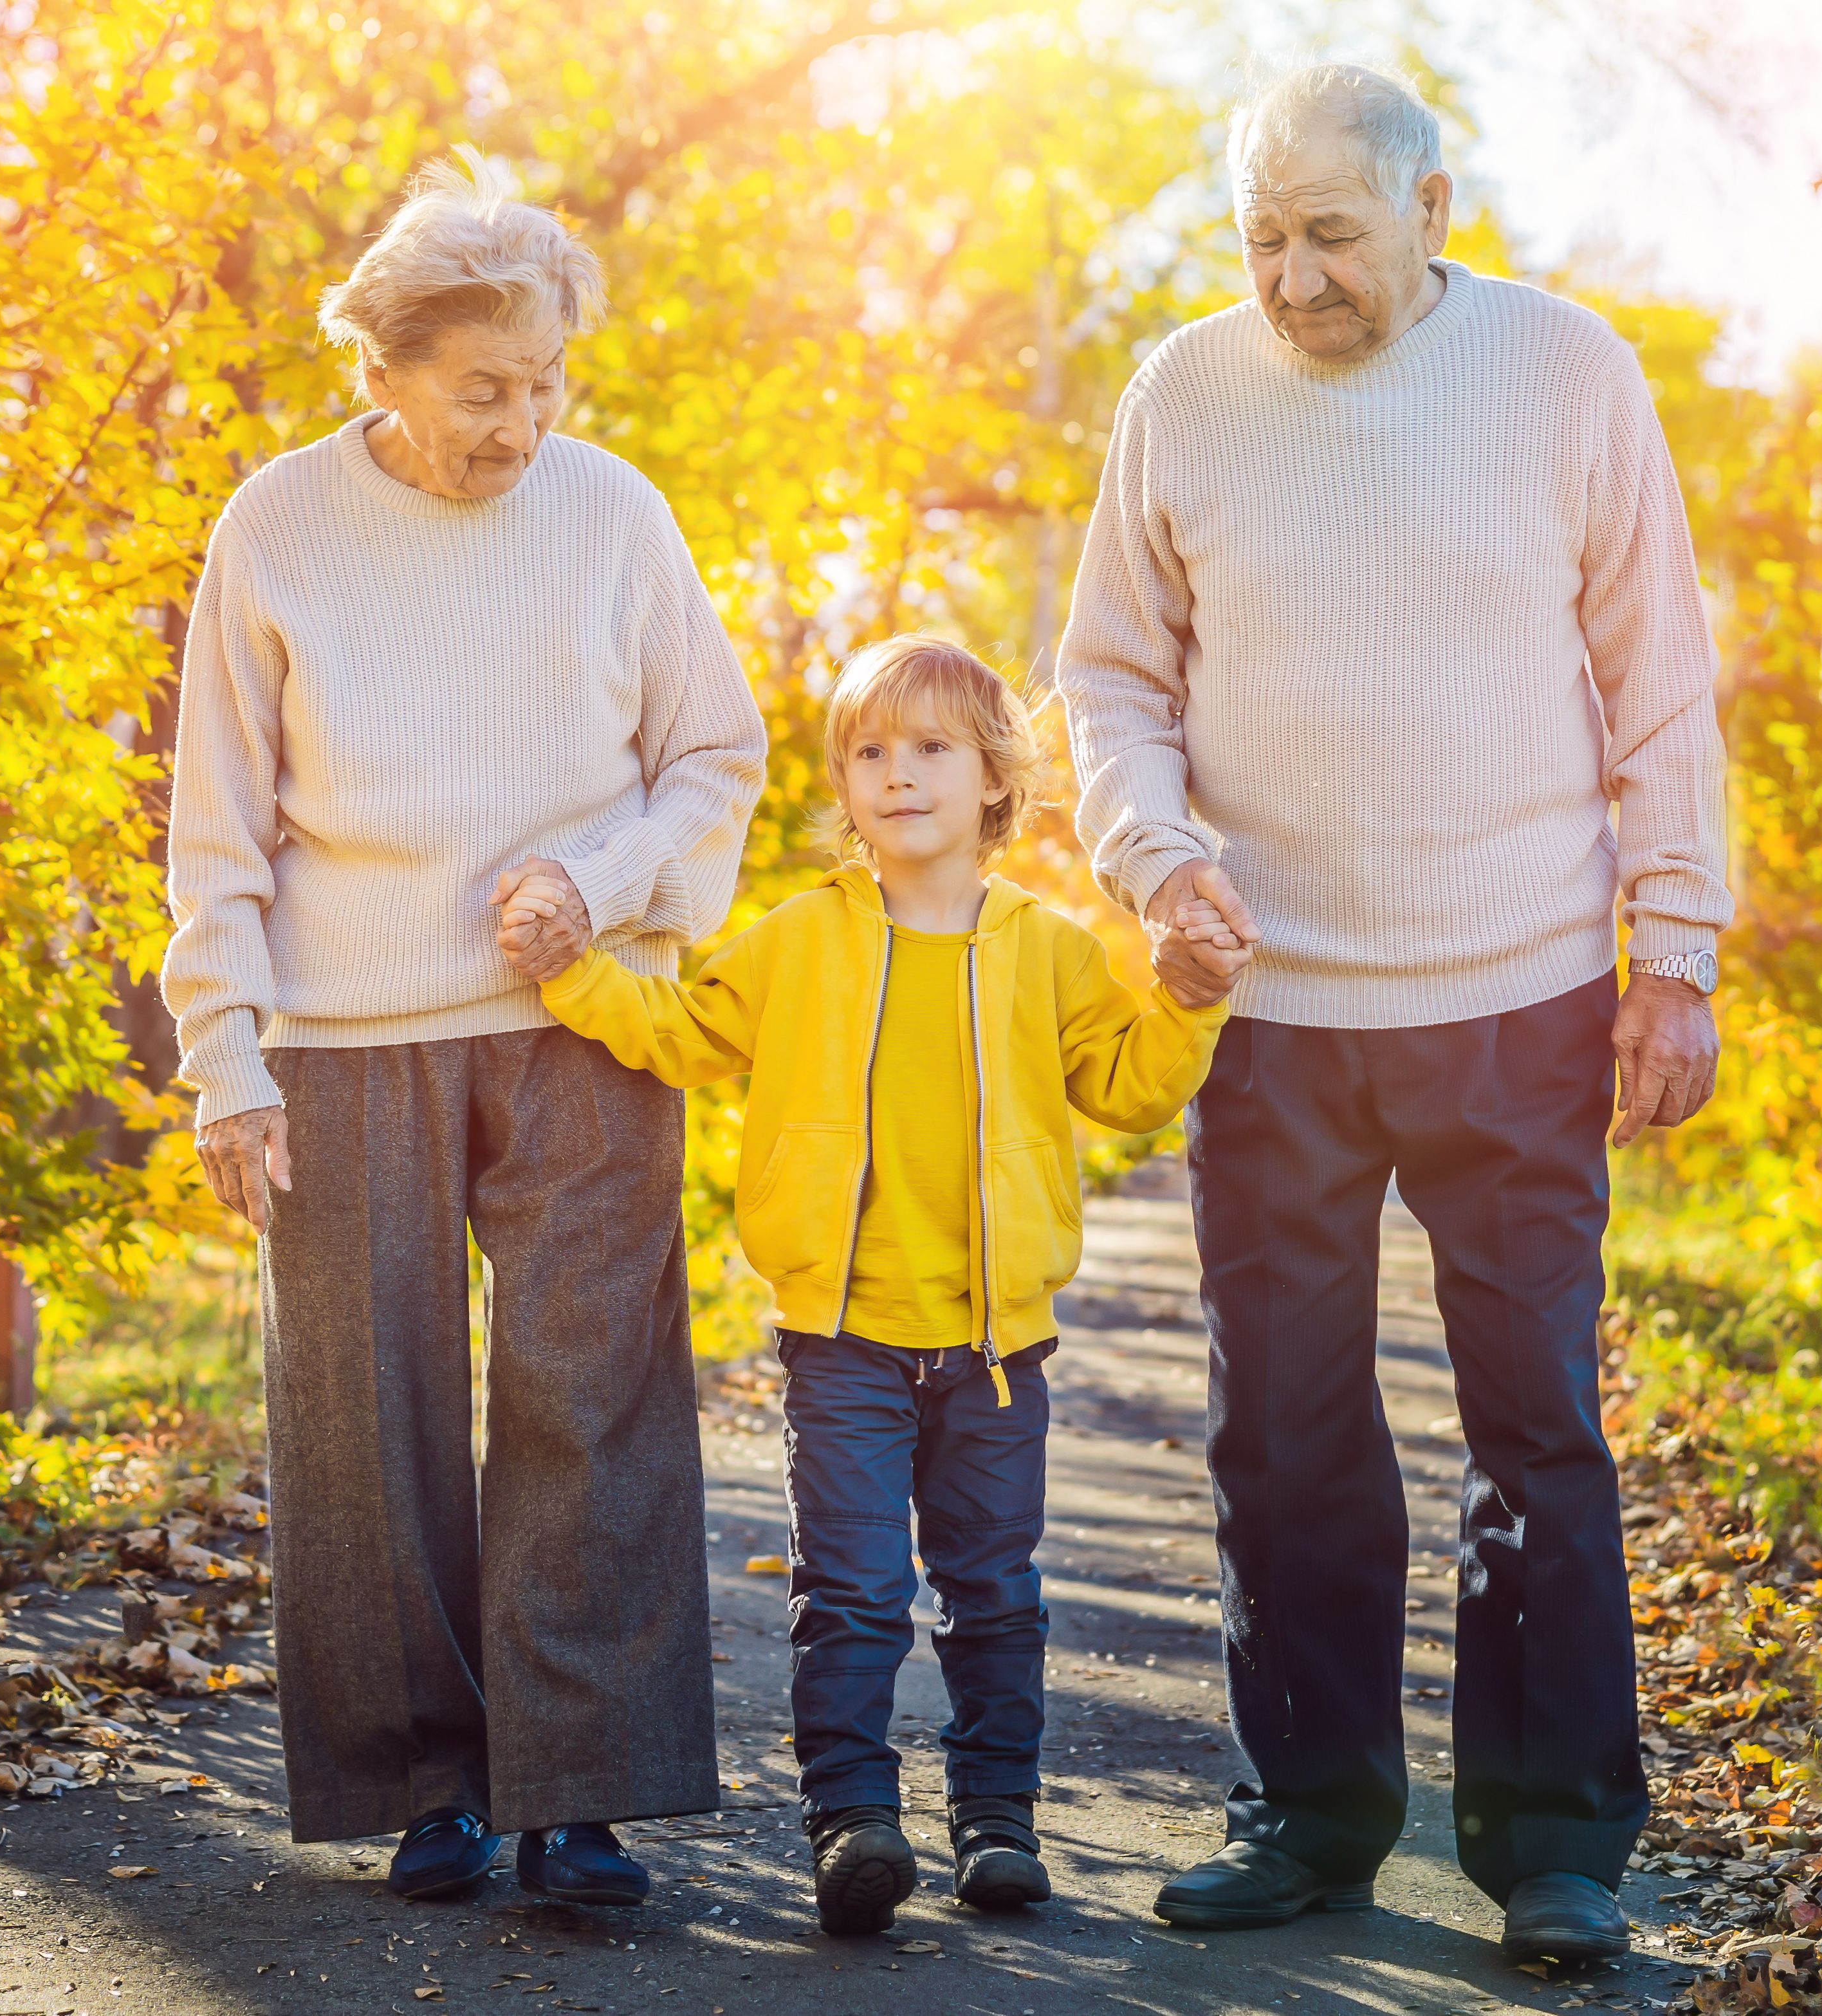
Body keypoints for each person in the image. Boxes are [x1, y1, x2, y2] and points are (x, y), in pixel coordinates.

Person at [1055, 64, 1733, 1961]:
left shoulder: (1565, 376)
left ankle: (1554, 1842)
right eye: (1260, 238)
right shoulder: (1182, 395)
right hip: (1273, 1009)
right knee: (1281, 1423)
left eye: (1330, 236)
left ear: (1435, 212)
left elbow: (1658, 684)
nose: (1290, 278)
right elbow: (1106, 676)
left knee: (1534, 1422)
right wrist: (1150, 854)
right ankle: (1310, 1810)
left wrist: (1670, 948)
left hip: (1518, 993)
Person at [160, 151, 766, 1909]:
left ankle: (578, 1786)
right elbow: (218, 822)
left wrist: (610, 869)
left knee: (593, 1389)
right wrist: (226, 1051)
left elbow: (713, 754)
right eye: (483, 385)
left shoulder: (611, 512)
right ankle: (426, 1775)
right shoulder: (276, 525)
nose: (520, 424)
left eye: (546, 384)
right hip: (344, 1029)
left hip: (580, 1014)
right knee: (361, 1413)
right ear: (383, 365)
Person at [494, 636, 1246, 1935]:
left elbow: (1128, 1089)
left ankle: (997, 1819)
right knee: (847, 1592)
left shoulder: (1049, 951)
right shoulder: (796, 942)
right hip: (839, 1342)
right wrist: (572, 968)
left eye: (932, 748)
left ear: (996, 778)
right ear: (843, 786)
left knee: (994, 1591)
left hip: (996, 1350)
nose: (898, 775)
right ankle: (853, 1817)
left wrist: (1186, 1000)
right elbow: (680, 1032)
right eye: (869, 752)